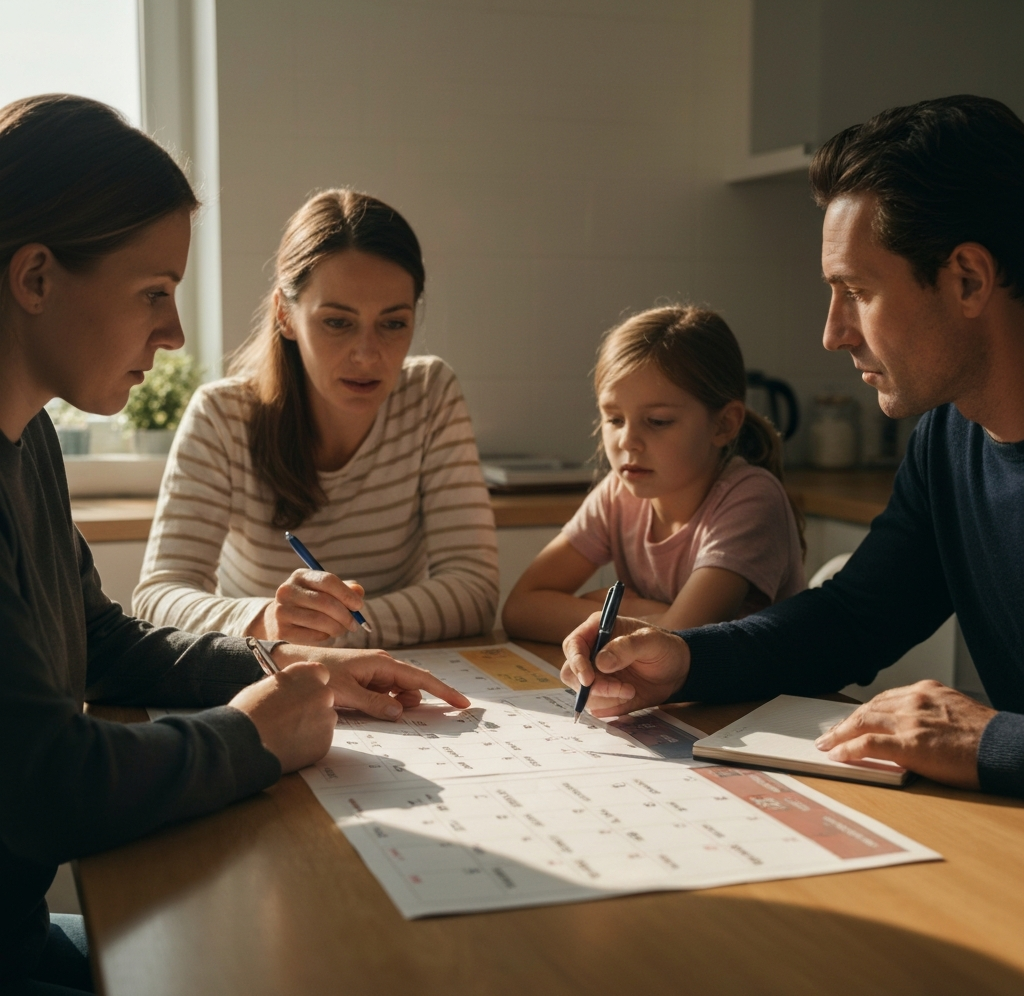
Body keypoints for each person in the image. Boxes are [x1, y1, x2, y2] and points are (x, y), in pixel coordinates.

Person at [0, 95, 469, 996]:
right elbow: (46, 784)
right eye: (153, 291)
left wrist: (291, 667)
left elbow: (102, 637)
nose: (173, 333)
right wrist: (253, 733)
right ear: (36, 277)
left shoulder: (30, 440)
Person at [560, 95, 1024, 799]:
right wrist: (684, 659)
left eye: (856, 291)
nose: (833, 333)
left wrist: (993, 740)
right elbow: (852, 620)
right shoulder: (948, 440)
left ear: (967, 279)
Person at [132, 189, 499, 649]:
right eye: (337, 322)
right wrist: (265, 621)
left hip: (395, 681)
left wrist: (336, 630)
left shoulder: (429, 395)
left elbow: (474, 590)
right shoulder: (222, 416)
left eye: (393, 323)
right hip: (273, 679)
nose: (368, 355)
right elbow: (157, 595)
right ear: (286, 316)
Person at [502, 305, 805, 644]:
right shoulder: (619, 493)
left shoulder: (751, 498)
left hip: (768, 697)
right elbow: (520, 609)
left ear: (724, 424)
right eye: (614, 419)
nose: (627, 441)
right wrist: (647, 616)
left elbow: (679, 639)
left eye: (658, 421)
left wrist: (606, 611)